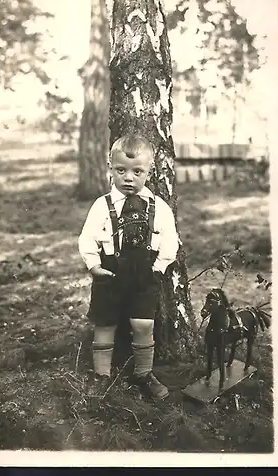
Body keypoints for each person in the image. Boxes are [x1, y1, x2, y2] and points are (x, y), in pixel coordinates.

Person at [78, 133, 179, 400]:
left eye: (137, 171)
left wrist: (159, 266)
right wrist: (94, 265)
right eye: (121, 171)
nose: (128, 178)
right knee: (105, 322)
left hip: (145, 275)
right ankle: (102, 376)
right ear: (110, 169)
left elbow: (170, 240)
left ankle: (144, 373)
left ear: (149, 171)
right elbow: (87, 237)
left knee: (143, 323)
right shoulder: (103, 206)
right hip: (110, 274)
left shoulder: (159, 208)